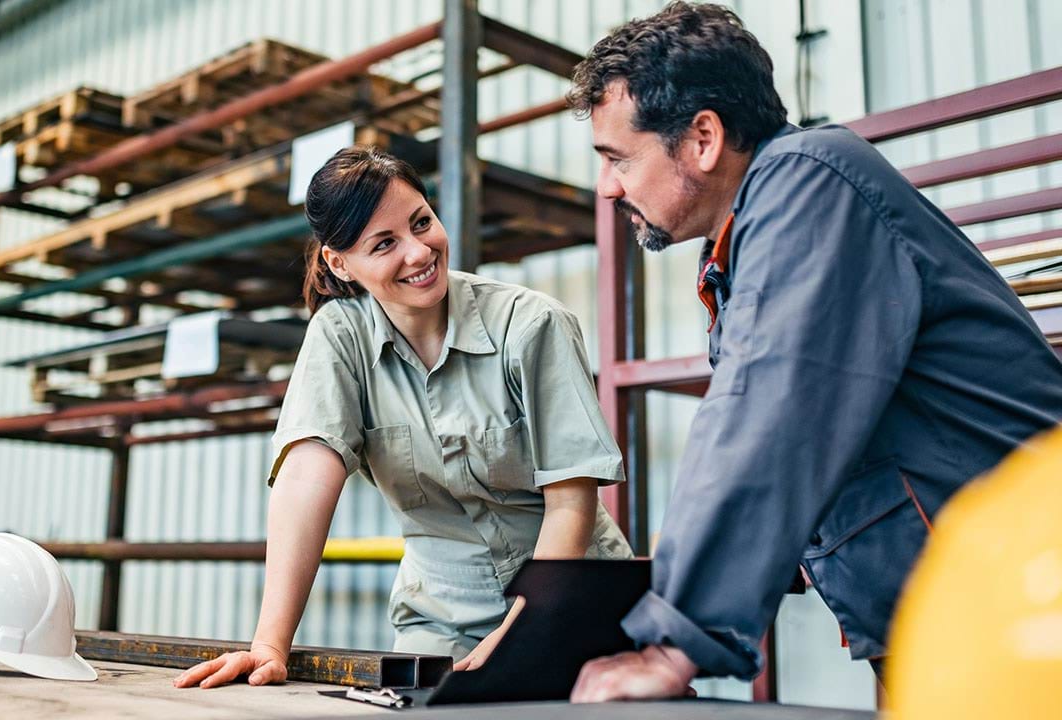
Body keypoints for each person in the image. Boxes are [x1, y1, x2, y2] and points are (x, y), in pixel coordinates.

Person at [564, 1, 1062, 702]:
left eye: (617, 157)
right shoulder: (749, 236)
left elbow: (769, 409)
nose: (607, 186)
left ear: (703, 137)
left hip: (1032, 612)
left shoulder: (810, 179)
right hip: (962, 620)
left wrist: (675, 641)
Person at [174, 146, 634, 691]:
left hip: (572, 598)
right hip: (441, 618)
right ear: (338, 262)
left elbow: (571, 499)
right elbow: (305, 480)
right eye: (385, 243)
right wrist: (270, 646)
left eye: (422, 223)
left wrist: (521, 631)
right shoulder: (339, 337)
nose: (419, 252)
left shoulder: (530, 325)